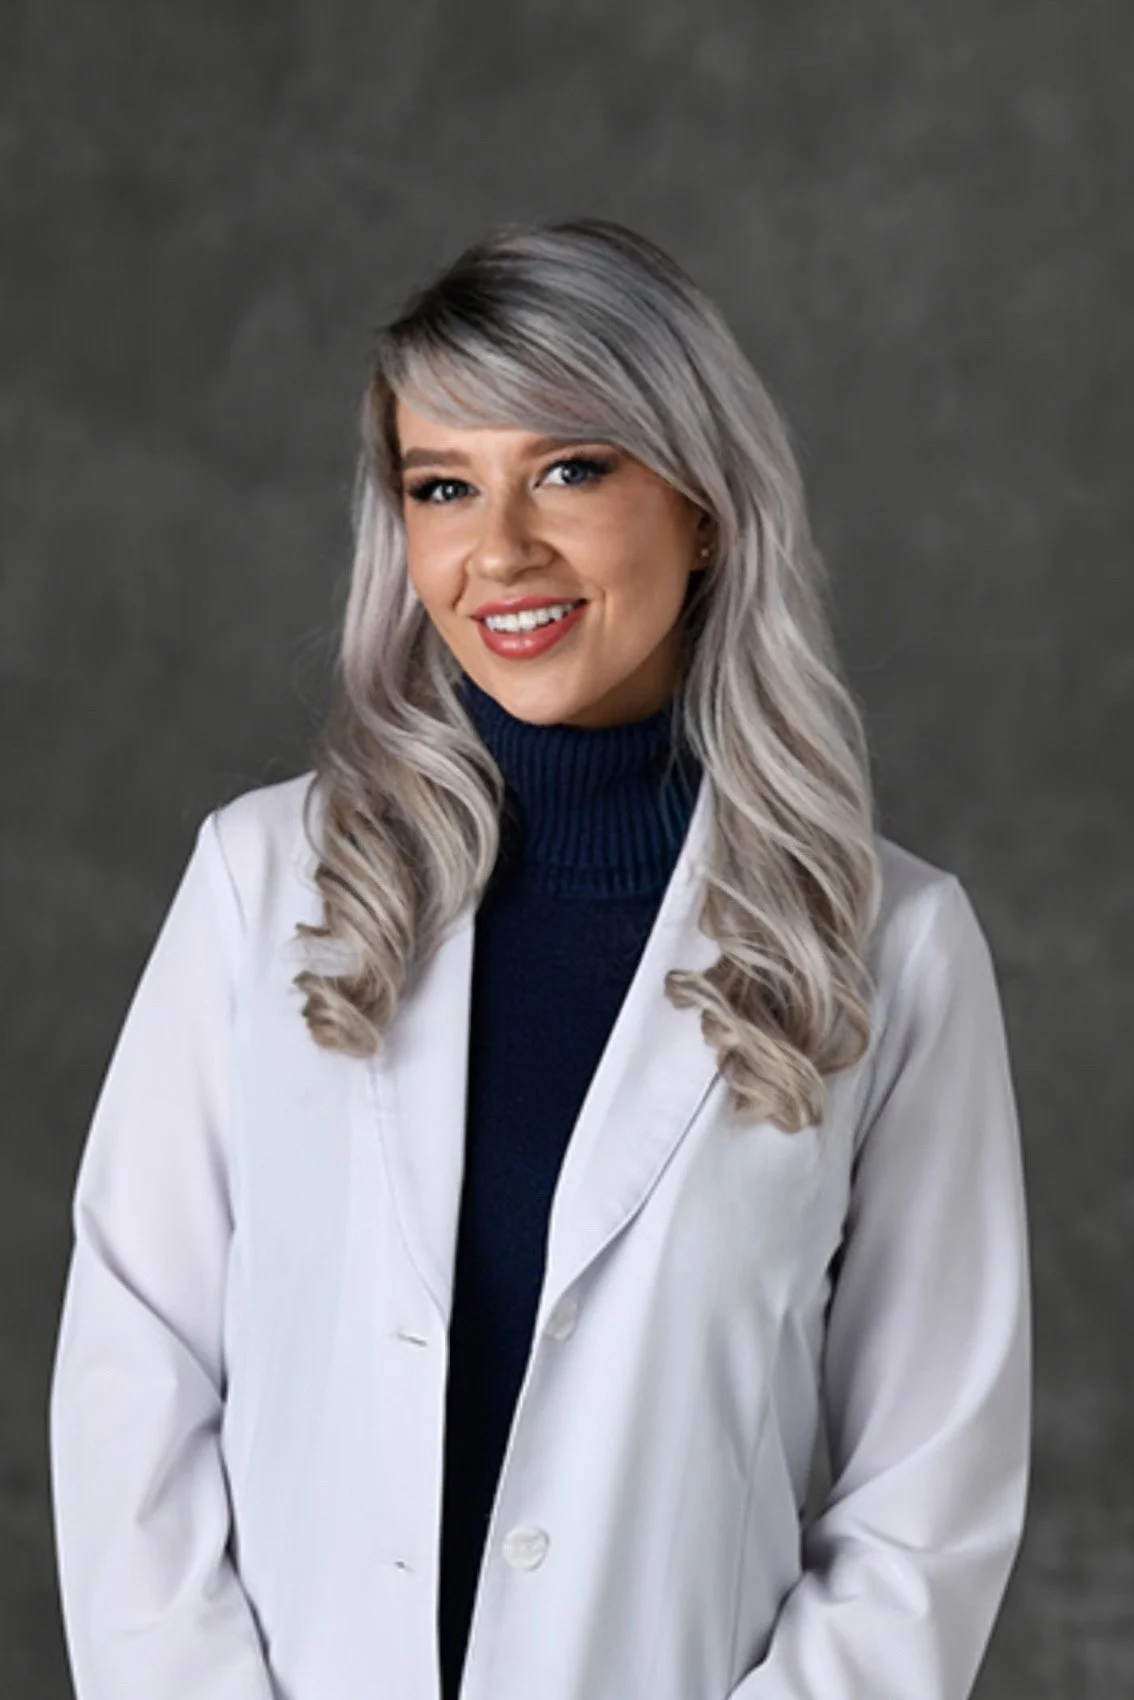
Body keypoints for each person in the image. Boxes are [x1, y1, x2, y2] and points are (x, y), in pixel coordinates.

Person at [48, 216, 1031, 1700]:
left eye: (569, 470)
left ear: (701, 504)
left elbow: (926, 1504)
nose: (499, 549)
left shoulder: (893, 953)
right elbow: (135, 1375)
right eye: (444, 487)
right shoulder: (262, 885)